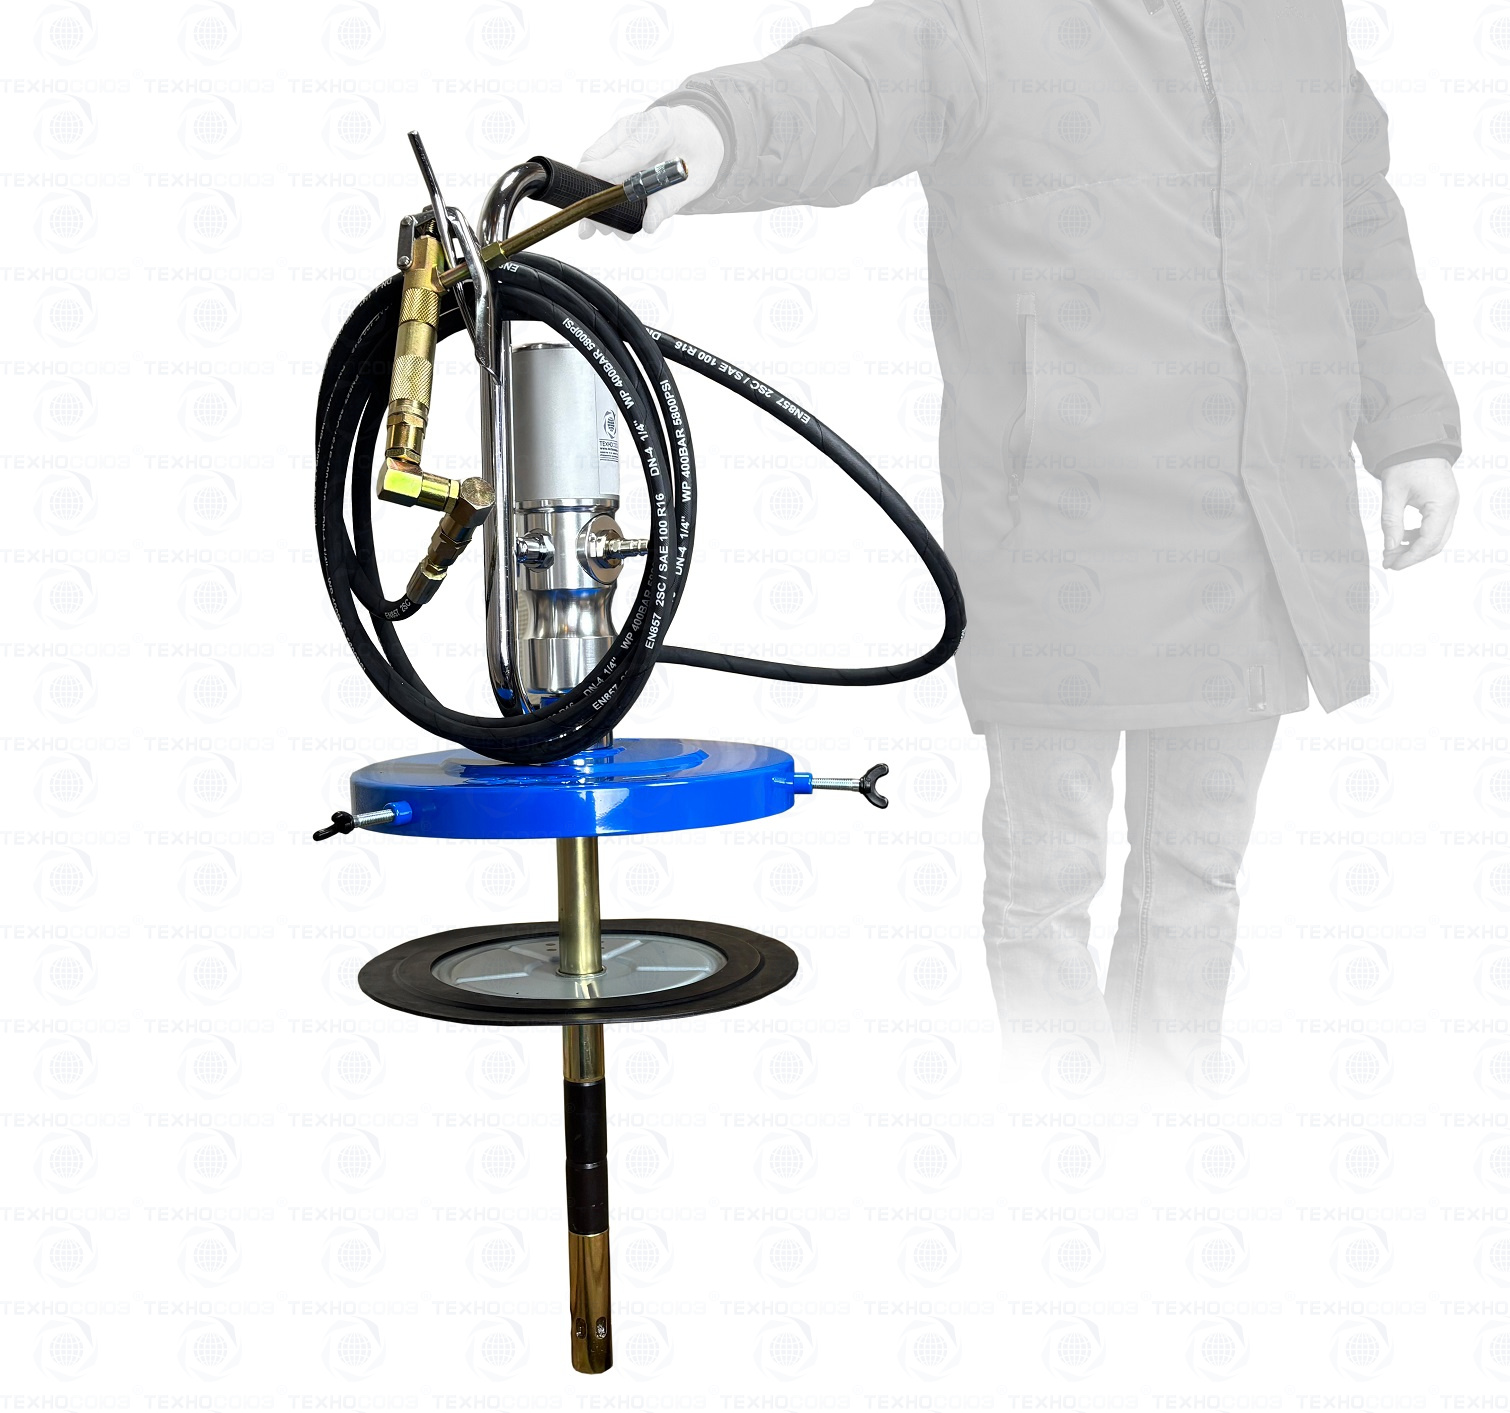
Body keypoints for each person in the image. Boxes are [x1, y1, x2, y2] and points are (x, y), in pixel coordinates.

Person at [576, 0, 1461, 1088]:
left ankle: (1176, 1122)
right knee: (1048, 885)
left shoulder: (1293, 20)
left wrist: (1411, 431)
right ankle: (1066, 1139)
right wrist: (705, 132)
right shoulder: (991, 18)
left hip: (1259, 520)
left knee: (1198, 874)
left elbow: (1355, 213)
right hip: (1063, 524)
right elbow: (850, 88)